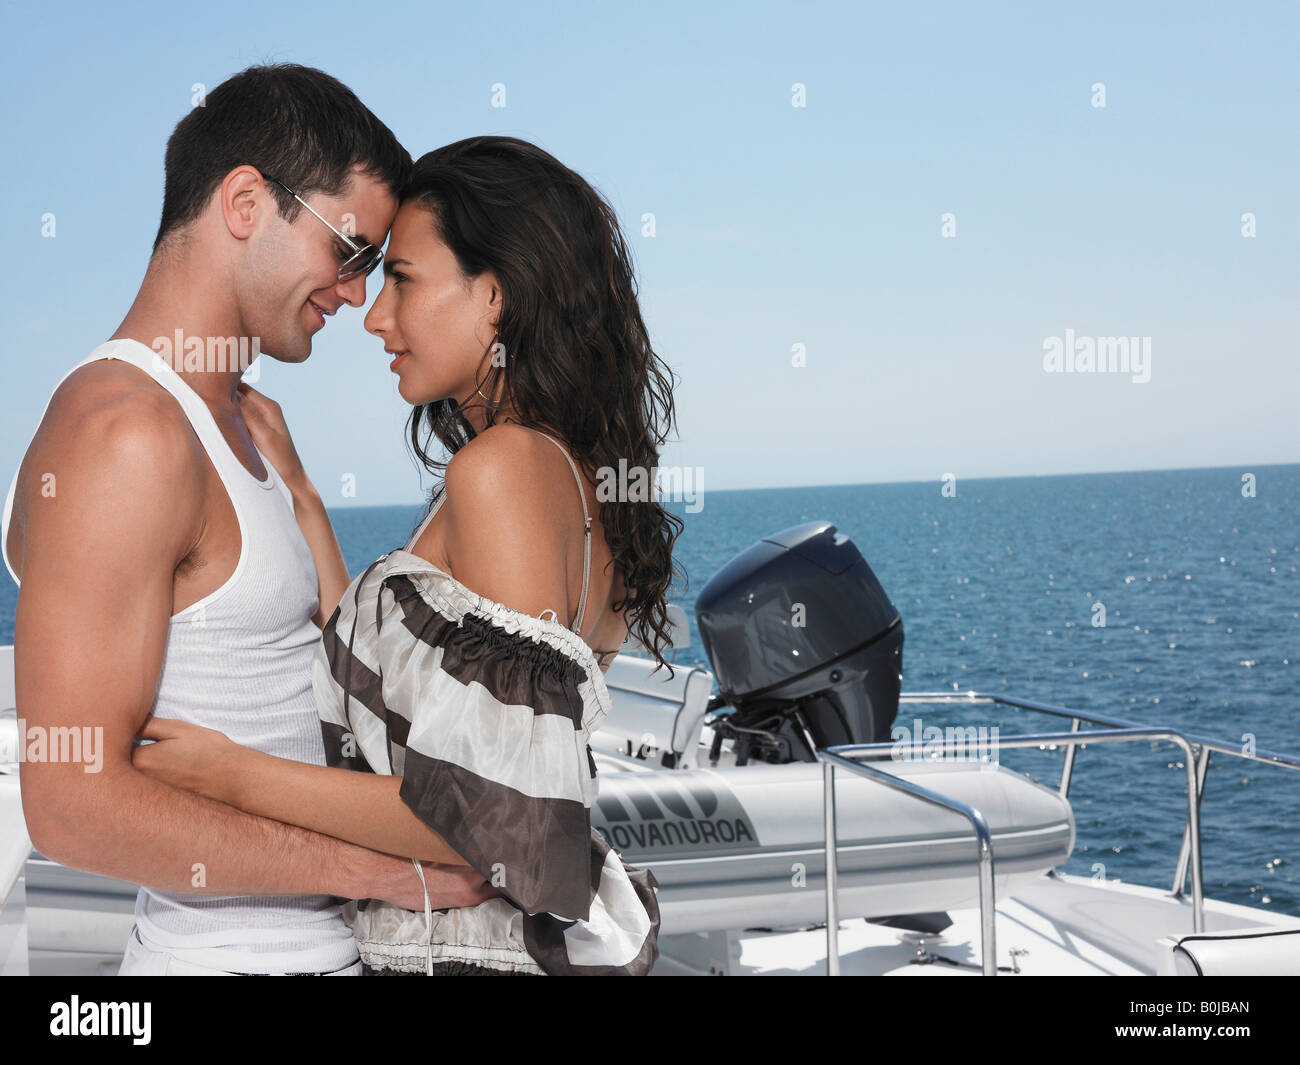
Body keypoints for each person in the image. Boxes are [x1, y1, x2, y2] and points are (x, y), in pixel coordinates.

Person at [131, 136, 685, 975]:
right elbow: (424, 705)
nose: (374, 315)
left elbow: (495, 817)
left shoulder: (498, 471)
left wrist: (230, 775)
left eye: (403, 279)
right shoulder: (566, 476)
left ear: (494, 295)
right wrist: (305, 498)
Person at [0, 64, 497, 978]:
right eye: (350, 252)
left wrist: (303, 492)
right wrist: (376, 871)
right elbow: (69, 799)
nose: (357, 296)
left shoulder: (242, 420)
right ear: (243, 202)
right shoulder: (123, 434)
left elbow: (331, 674)